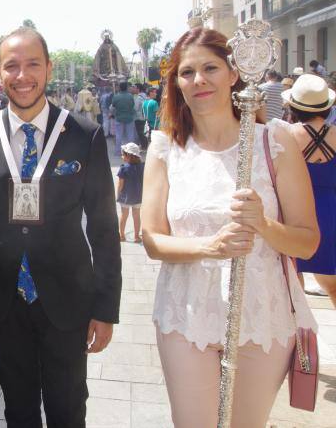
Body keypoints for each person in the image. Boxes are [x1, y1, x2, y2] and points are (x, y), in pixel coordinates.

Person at [141, 28, 319, 428]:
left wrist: (263, 224)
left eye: (210, 68)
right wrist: (212, 246)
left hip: (261, 314)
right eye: (186, 73)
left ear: (233, 73)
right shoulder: (165, 147)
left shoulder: (276, 141)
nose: (198, 80)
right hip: (186, 314)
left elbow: (307, 242)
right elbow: (152, 239)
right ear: (176, 84)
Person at [0, 27, 121, 426]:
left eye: (32, 64)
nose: (22, 75)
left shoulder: (85, 134)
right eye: (11, 66)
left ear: (48, 68)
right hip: (3, 303)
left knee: (68, 409)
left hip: (67, 301)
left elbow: (104, 229)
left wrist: (106, 308)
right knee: (19, 410)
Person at [282, 74, 336, 305]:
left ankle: (300, 337)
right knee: (333, 286)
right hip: (331, 211)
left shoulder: (286, 135)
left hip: (295, 211)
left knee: (294, 286)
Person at [117, 142, 144, 243]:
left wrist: (118, 194)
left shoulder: (124, 168)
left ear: (128, 155)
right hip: (138, 196)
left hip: (125, 197)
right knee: (136, 216)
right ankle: (136, 236)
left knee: (124, 215)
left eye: (123, 154)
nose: (122, 156)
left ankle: (121, 235)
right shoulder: (142, 167)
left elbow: (120, 184)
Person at [111, 81, 137, 154]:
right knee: (130, 135)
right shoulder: (130, 96)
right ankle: (131, 152)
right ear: (126, 87)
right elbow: (132, 106)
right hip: (129, 118)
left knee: (119, 135)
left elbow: (112, 107)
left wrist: (113, 114)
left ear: (119, 87)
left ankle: (118, 151)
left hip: (119, 118)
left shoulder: (116, 96)